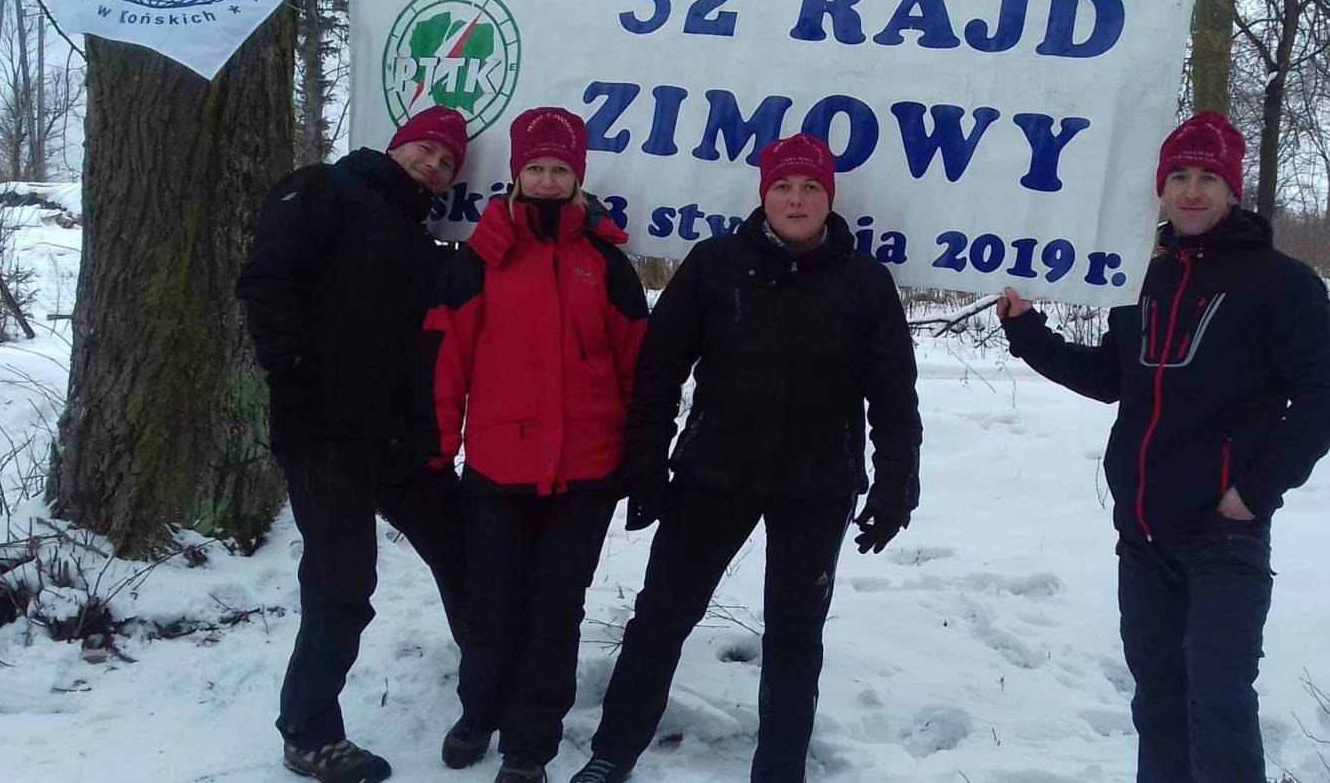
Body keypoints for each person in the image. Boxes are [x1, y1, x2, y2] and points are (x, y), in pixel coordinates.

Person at [997, 111, 1330, 782]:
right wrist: (1029, 334)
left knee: (1218, 705)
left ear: (1233, 190)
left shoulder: (1281, 283)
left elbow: (1325, 401)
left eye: (1208, 178)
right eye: (1179, 176)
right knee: (1158, 701)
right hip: (1143, 536)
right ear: (1160, 188)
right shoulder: (1141, 275)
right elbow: (1112, 377)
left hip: (1223, 537)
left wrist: (1253, 491)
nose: (1192, 191)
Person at [570, 134, 924, 783]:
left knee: (794, 632)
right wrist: (646, 461)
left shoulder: (865, 282)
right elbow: (659, 371)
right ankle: (612, 751)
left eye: (810, 188)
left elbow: (894, 395)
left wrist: (897, 483)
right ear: (764, 196)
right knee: (662, 615)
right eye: (783, 187)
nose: (796, 199)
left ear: (829, 199)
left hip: (817, 485)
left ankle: (780, 768)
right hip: (713, 475)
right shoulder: (716, 264)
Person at [236, 105, 473, 783]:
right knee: (342, 583)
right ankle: (309, 734)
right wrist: (294, 372)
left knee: (468, 554)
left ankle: (492, 686)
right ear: (396, 146)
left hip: (400, 438)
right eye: (425, 149)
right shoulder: (324, 188)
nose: (433, 164)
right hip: (325, 432)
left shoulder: (419, 238)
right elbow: (267, 278)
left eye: (447, 162)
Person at [414, 107, 649, 783]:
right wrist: (438, 451)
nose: (547, 180)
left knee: (554, 611)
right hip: (499, 465)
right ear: (517, 174)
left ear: (578, 177)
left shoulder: (606, 263)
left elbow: (639, 365)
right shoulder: (482, 256)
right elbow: (446, 359)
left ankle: (529, 746)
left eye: (560, 169)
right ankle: (478, 711)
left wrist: (639, 455)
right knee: (490, 602)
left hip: (587, 471)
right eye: (536, 168)